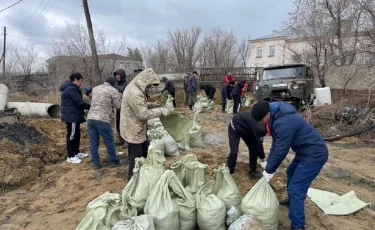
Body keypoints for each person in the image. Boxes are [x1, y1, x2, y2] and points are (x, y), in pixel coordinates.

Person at [251, 101, 329, 230]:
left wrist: (269, 171)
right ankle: (292, 202)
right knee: (291, 171)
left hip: (314, 154)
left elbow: (282, 150)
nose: (261, 123)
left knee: (296, 189)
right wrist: (269, 167)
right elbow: (276, 145)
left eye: (261, 120)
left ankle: (298, 225)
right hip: (304, 151)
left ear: (267, 114)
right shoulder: (275, 116)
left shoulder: (284, 122)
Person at [120, 68, 170, 180]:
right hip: (133, 129)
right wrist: (160, 111)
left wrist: (152, 105)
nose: (149, 88)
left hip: (134, 126)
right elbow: (143, 114)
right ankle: (132, 178)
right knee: (136, 157)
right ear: (145, 81)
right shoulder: (135, 92)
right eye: (149, 85)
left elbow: (139, 105)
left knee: (144, 149)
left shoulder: (134, 87)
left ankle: (145, 172)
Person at [86, 76, 122, 169]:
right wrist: (119, 97)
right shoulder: (113, 90)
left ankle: (95, 163)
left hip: (90, 118)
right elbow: (117, 106)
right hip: (102, 119)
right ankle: (114, 160)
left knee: (93, 142)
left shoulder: (96, 88)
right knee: (109, 141)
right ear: (114, 84)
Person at [60, 73, 90, 164]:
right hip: (71, 116)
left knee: (76, 134)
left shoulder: (72, 88)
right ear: (75, 80)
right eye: (80, 81)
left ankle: (76, 152)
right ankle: (71, 156)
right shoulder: (71, 89)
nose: (81, 83)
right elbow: (79, 102)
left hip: (74, 115)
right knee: (72, 135)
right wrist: (91, 106)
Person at [228, 110, 267, 178]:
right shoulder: (260, 128)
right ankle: (229, 172)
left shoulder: (263, 125)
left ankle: (252, 172)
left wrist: (262, 158)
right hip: (235, 127)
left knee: (253, 149)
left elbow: (258, 144)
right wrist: (262, 159)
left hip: (247, 130)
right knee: (234, 151)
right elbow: (259, 144)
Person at [113, 69, 127, 147]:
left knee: (124, 124)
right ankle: (121, 139)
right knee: (118, 124)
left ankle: (127, 141)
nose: (117, 76)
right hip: (117, 108)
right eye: (116, 75)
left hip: (125, 107)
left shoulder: (127, 84)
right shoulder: (116, 85)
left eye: (118, 75)